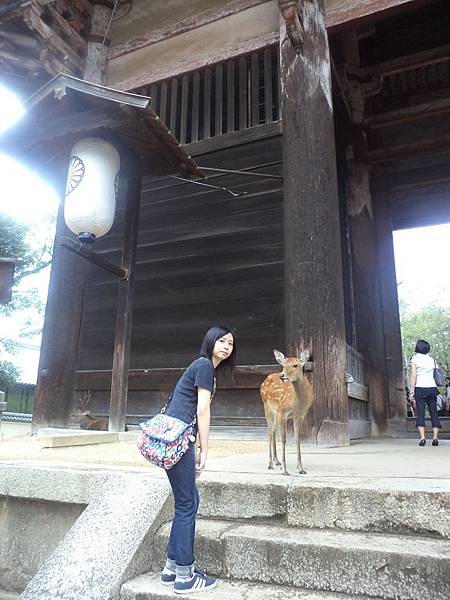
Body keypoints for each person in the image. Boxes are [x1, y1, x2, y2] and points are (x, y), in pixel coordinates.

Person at [160, 325, 236, 594]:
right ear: (210, 341)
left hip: (174, 440)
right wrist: (204, 449)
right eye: (222, 341)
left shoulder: (204, 368)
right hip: (180, 440)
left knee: (187, 502)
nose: (227, 346)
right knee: (187, 504)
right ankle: (185, 576)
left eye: (230, 343)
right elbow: (202, 411)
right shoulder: (204, 365)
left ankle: (171, 568)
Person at [409, 339, 441, 446]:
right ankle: (435, 438)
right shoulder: (432, 360)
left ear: (418, 347)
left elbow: (414, 376)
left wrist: (411, 391)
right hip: (432, 388)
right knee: (434, 413)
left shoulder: (415, 359)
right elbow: (437, 372)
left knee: (421, 413)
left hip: (420, 388)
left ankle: (423, 438)